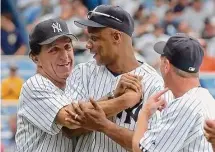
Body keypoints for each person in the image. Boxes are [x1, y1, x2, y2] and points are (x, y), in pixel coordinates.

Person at [15, 18, 142, 152]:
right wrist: (125, 101)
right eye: (54, 50)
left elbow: (84, 118)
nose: (64, 56)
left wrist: (112, 95)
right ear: (35, 58)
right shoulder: (35, 85)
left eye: (67, 47)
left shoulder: (73, 84)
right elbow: (71, 119)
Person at [64, 5, 172, 152]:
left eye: (94, 38)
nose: (88, 45)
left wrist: (105, 126)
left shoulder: (153, 83)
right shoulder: (82, 72)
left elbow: (153, 147)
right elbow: (68, 129)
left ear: (116, 37)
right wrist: (117, 99)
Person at [133, 33, 215, 152]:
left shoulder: (186, 104)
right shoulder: (206, 97)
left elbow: (139, 150)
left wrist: (144, 114)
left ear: (166, 65)